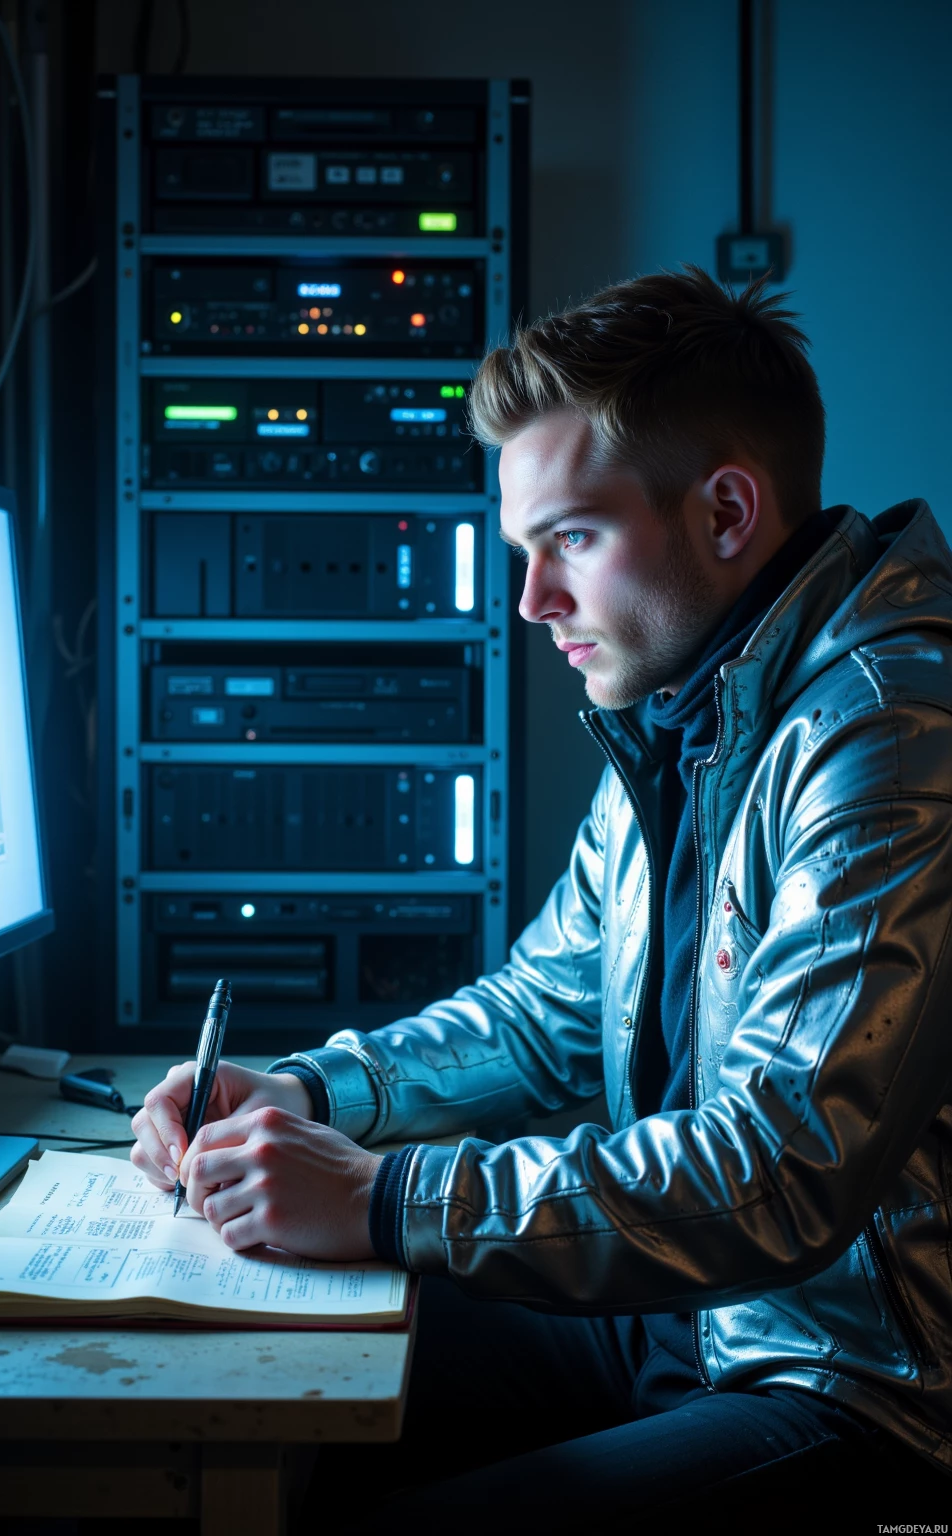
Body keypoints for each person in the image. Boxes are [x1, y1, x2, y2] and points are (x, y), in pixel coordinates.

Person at [131, 266, 952, 1531]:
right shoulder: (690, 707)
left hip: (866, 1395)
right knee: (272, 1401)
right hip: (696, 1316)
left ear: (727, 509)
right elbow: (543, 1011)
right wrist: (307, 1090)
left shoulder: (890, 735)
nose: (531, 602)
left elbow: (788, 1163)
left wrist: (385, 1197)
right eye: (526, 550)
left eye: (569, 537)